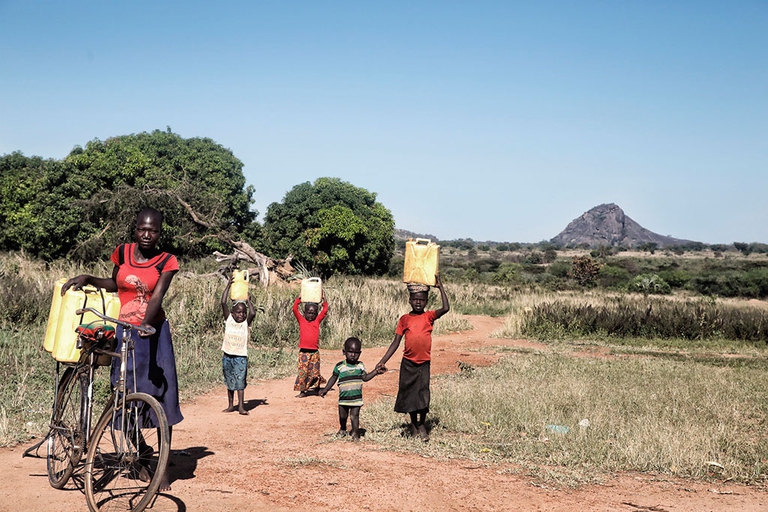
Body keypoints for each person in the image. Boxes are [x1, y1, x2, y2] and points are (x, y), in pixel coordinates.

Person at [62, 207, 182, 491]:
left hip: (152, 333)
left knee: (161, 396)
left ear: (160, 232)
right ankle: (141, 454)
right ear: (135, 228)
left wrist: (145, 325)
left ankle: (162, 466)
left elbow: (157, 297)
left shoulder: (167, 261)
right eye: (142, 228)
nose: (147, 235)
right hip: (124, 331)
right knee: (123, 396)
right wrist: (90, 278)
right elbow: (116, 285)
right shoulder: (123, 253)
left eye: (153, 230)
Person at [375, 274, 449, 442]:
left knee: (423, 395)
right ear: (409, 300)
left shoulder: (429, 317)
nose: (418, 302)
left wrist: (441, 287)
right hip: (408, 364)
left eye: (421, 300)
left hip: (423, 364)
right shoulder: (404, 319)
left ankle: (422, 424)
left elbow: (445, 308)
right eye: (415, 299)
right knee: (409, 395)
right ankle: (413, 425)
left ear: (426, 301)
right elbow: (395, 343)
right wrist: (383, 361)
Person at [319, 336, 384, 440]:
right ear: (344, 352)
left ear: (360, 353)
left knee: (355, 416)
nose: (353, 355)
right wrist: (326, 389)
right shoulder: (340, 366)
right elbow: (333, 377)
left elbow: (365, 378)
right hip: (343, 399)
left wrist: (375, 372)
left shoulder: (360, 366)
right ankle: (343, 428)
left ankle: (355, 433)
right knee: (343, 416)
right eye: (350, 352)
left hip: (356, 399)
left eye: (356, 352)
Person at [220, 274, 256, 415]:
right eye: (238, 312)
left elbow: (252, 312)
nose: (241, 315)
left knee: (240, 382)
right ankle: (231, 405)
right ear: (232, 313)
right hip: (227, 355)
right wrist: (229, 285)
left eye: (243, 312)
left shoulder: (245, 324)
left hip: (240, 356)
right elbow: (223, 302)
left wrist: (248, 301)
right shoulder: (229, 320)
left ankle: (241, 406)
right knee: (230, 381)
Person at [292, 292, 329, 397]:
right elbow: (294, 309)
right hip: (303, 352)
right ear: (304, 313)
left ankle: (317, 389)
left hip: (315, 352)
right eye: (309, 312)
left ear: (316, 314)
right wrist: (298, 299)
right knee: (303, 372)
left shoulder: (317, 321)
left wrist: (324, 300)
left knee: (315, 372)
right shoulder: (301, 320)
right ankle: (302, 391)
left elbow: (325, 311)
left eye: (313, 313)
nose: (311, 315)